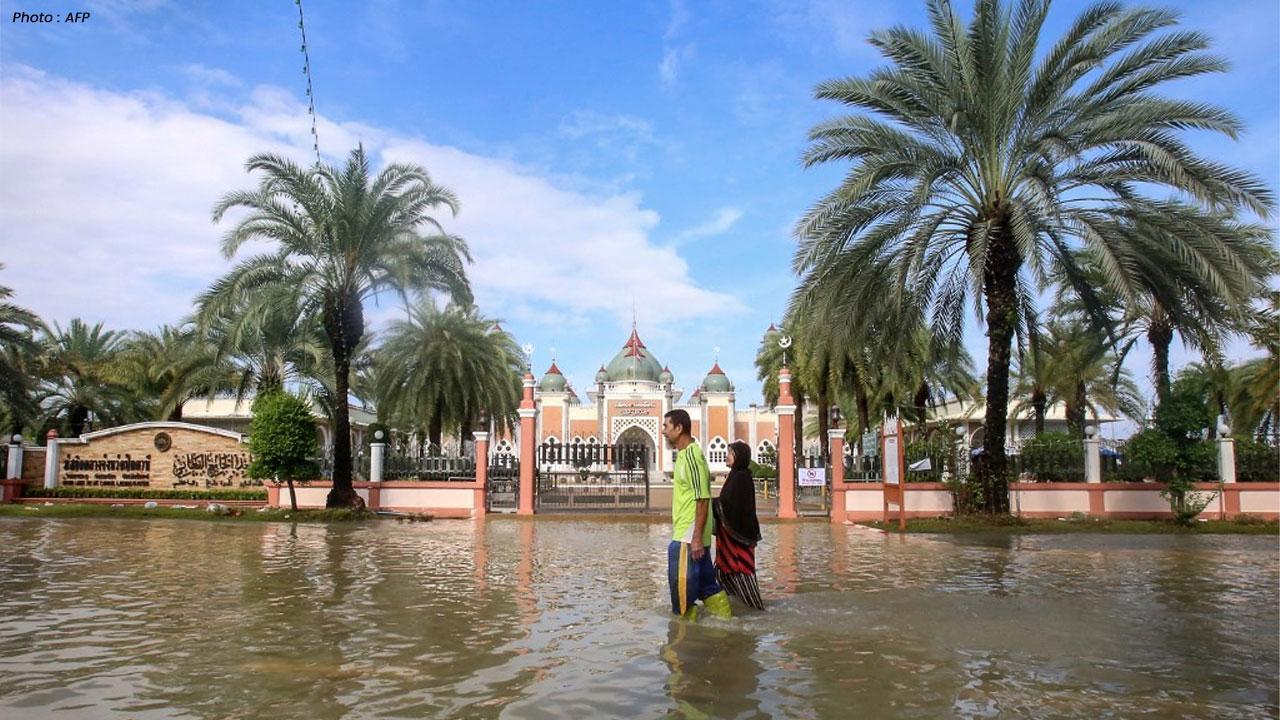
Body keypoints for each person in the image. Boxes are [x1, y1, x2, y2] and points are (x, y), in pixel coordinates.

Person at [662, 409, 732, 621]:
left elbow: (702, 498)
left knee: (681, 594)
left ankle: (682, 643)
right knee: (706, 586)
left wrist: (695, 538)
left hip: (687, 536)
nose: (663, 432)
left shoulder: (692, 455)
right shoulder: (683, 455)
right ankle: (727, 625)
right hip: (691, 535)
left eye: (666, 426)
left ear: (679, 428)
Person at [713, 440, 764, 609]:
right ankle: (732, 608)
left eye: (730, 453)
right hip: (729, 542)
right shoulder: (735, 476)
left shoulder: (741, 477)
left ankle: (755, 610)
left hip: (738, 541)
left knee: (742, 575)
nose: (726, 456)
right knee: (722, 574)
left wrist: (710, 504)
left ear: (738, 456)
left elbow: (733, 506)